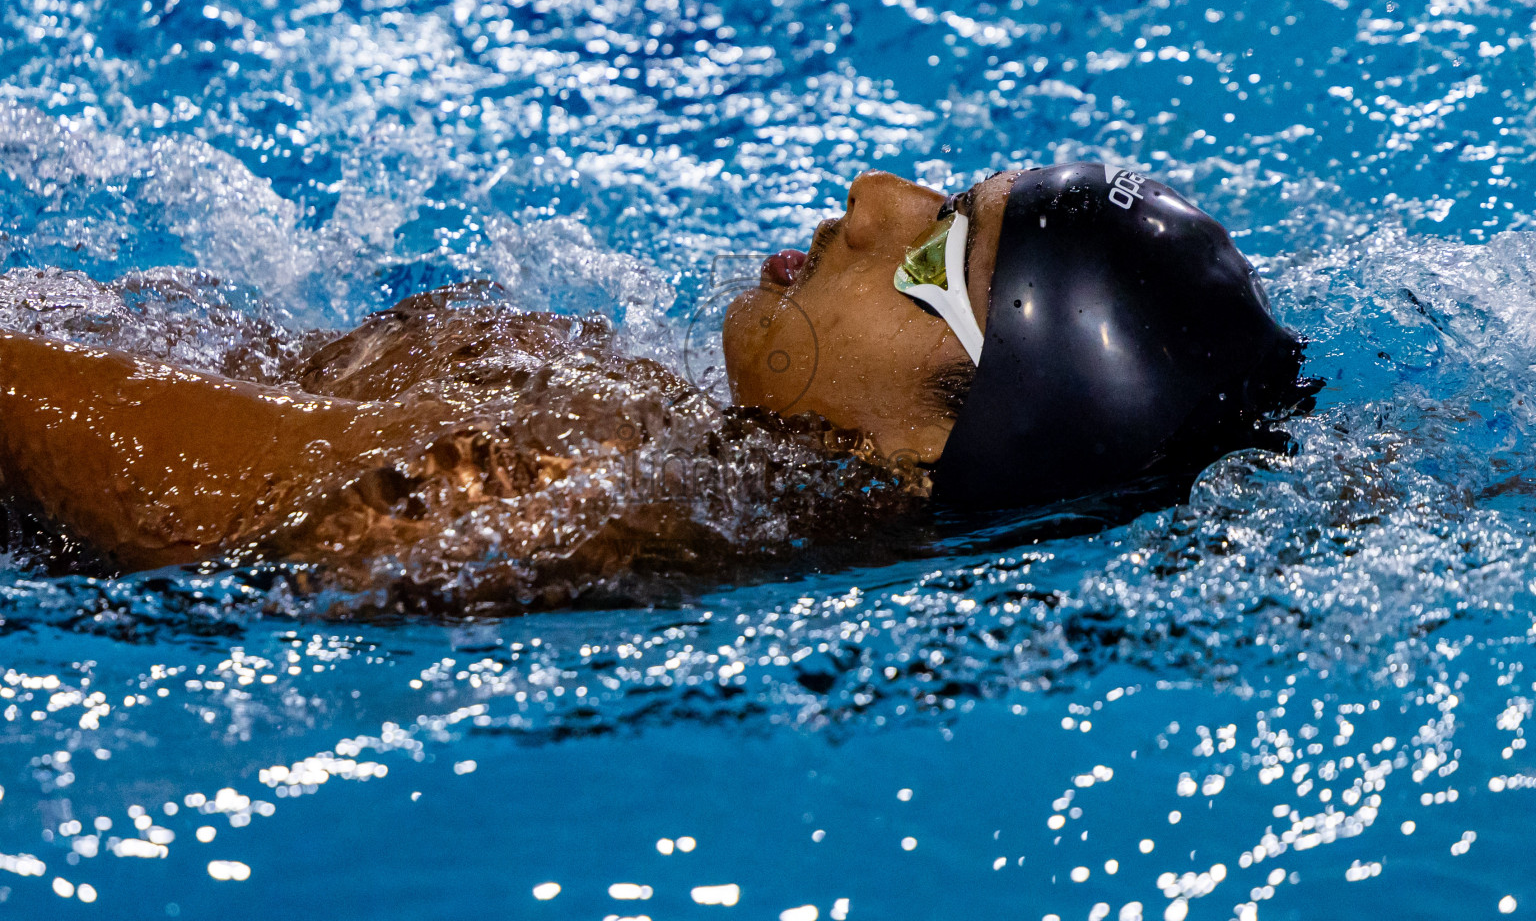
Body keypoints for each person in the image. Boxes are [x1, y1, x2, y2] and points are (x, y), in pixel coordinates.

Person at [0, 163, 1312, 612]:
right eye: (940, 187)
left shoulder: (572, 518)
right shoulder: (674, 441)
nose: (874, 201)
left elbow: (150, 479)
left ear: (936, 444)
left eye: (931, 256)